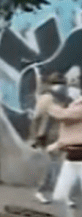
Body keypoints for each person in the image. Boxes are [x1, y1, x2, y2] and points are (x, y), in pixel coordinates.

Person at [46, 91, 82, 217]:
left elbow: (64, 116)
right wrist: (58, 145)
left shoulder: (76, 107)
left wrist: (47, 103)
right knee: (59, 197)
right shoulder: (77, 102)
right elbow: (72, 129)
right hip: (71, 159)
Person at [30, 72, 70, 204]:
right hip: (47, 136)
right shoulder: (47, 98)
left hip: (61, 135)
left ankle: (59, 193)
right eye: (58, 84)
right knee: (53, 165)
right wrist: (36, 136)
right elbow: (36, 118)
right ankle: (42, 191)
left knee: (62, 166)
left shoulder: (65, 99)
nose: (61, 87)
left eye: (63, 84)